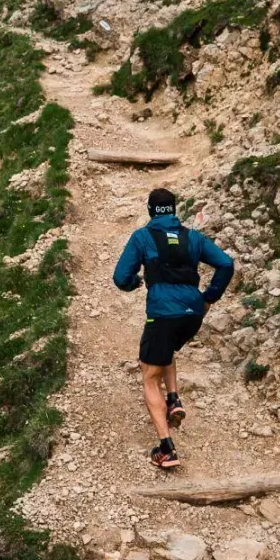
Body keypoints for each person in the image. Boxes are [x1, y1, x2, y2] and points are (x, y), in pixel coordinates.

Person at [113, 187, 235, 470]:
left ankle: (166, 449)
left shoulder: (143, 237)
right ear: (174, 208)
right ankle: (173, 398)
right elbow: (226, 264)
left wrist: (135, 283)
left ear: (150, 210)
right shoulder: (193, 236)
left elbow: (121, 277)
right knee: (165, 352)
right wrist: (208, 299)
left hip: (163, 313)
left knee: (149, 374)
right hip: (192, 314)